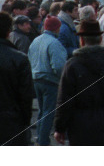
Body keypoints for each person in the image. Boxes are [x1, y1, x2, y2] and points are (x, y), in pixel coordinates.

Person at [53, 19, 104, 145]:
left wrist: (60, 127)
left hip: (80, 125)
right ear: (100, 39)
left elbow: (65, 100)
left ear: (82, 40)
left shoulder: (73, 65)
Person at [28, 15, 68, 146]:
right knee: (48, 113)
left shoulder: (36, 40)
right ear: (57, 28)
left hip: (36, 79)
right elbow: (58, 66)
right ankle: (44, 141)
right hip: (50, 81)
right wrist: (64, 79)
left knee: (42, 111)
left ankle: (40, 138)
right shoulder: (54, 43)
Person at [0, 11, 34, 146]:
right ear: (9, 32)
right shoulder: (20, 59)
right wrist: (25, 121)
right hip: (12, 119)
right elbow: (25, 96)